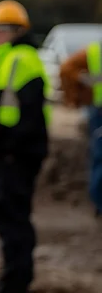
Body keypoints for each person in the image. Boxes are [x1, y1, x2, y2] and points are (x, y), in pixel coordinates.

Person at [0, 0, 51, 293]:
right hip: (12, 155)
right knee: (10, 218)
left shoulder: (18, 61)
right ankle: (14, 283)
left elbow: (16, 118)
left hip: (13, 158)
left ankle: (14, 290)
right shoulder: (13, 59)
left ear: (8, 32)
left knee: (13, 220)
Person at [58, 41, 102, 219]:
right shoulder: (93, 54)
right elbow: (67, 70)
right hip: (99, 112)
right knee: (100, 156)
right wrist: (82, 87)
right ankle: (99, 201)